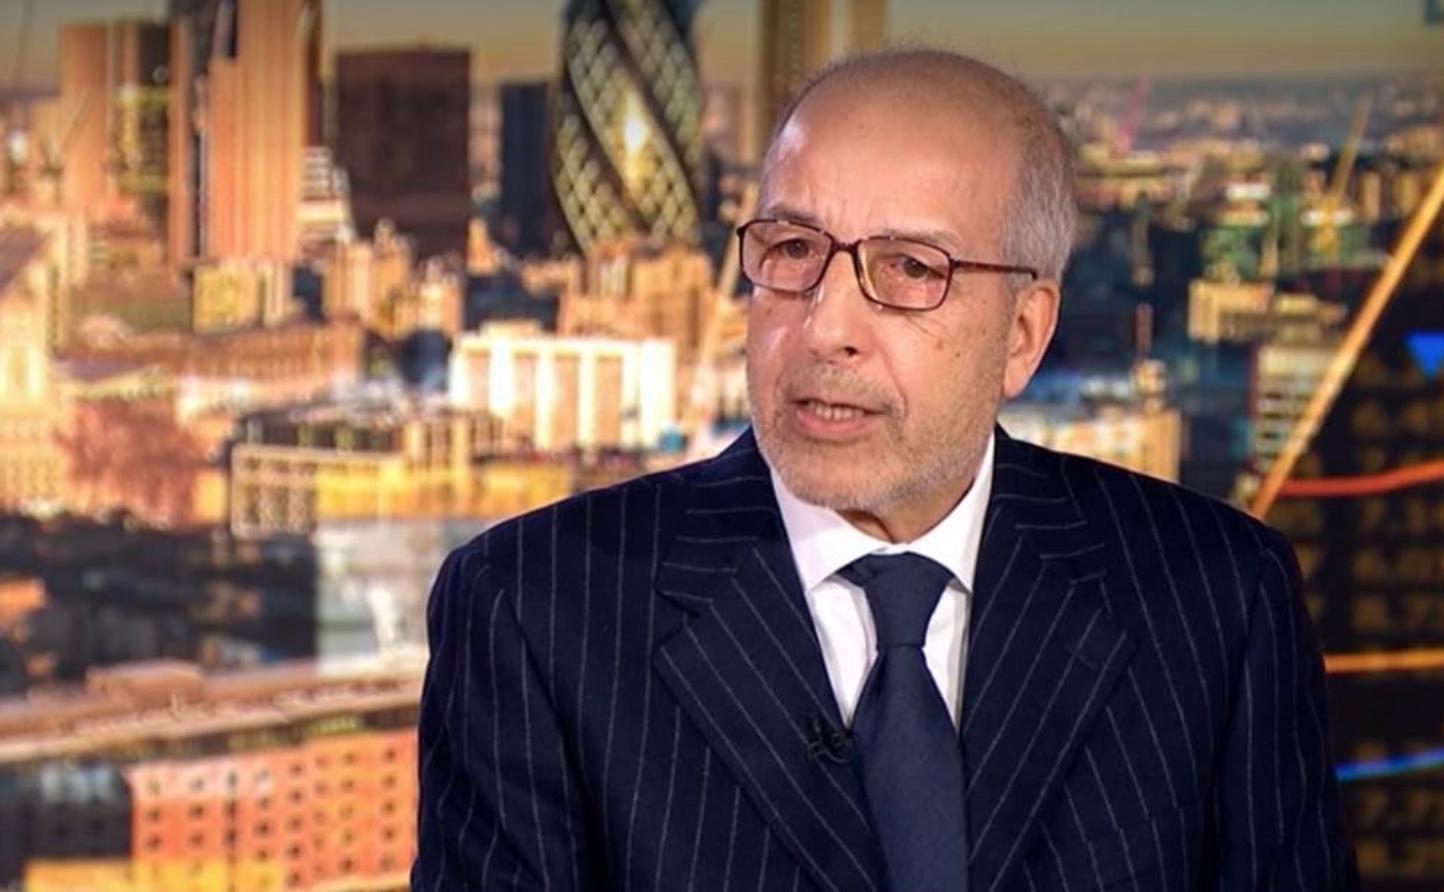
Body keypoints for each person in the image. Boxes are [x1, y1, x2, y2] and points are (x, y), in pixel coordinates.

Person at [412, 48, 1358, 892]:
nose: (825, 327)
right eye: (792, 251)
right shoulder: (535, 609)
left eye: (909, 269)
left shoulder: (1216, 598)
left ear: (1022, 335)